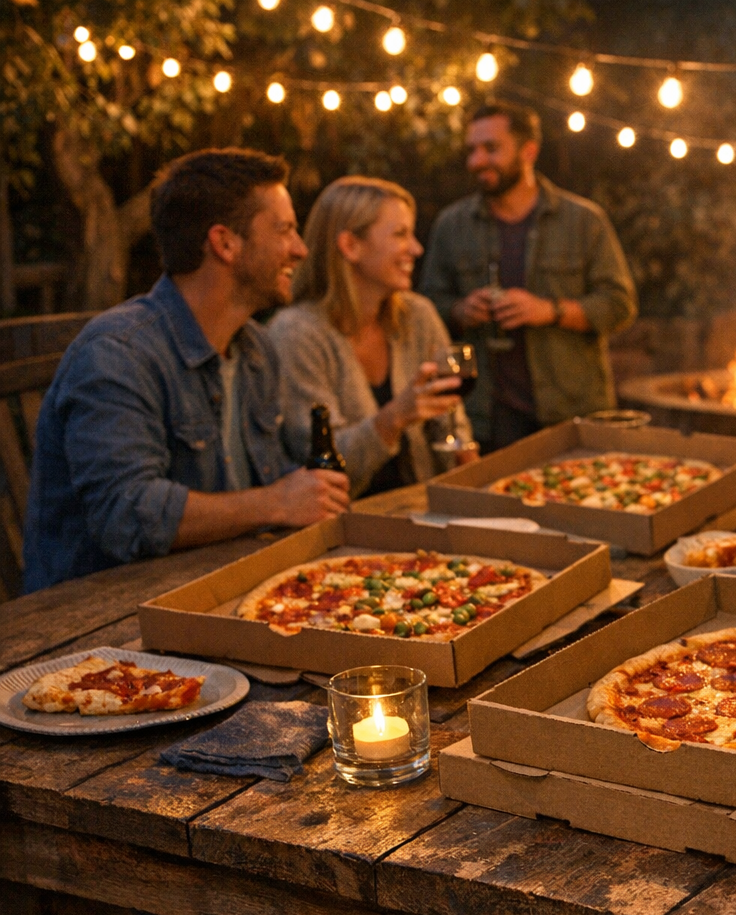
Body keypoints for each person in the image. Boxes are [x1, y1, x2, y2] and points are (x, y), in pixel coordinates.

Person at [23, 149, 350, 592]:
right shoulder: (118, 353)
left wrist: (308, 494)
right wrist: (276, 502)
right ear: (225, 243)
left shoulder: (255, 349)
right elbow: (126, 514)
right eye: (284, 229)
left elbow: (273, 482)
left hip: (222, 586)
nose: (300, 249)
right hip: (107, 613)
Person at [419, 100, 637, 449]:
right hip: (486, 415)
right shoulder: (452, 225)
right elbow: (426, 307)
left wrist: (549, 310)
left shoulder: (583, 221)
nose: (477, 161)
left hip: (570, 412)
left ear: (529, 152)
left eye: (491, 148)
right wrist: (461, 310)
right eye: (472, 150)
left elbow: (619, 305)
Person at [269, 177, 476, 498]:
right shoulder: (296, 335)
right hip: (347, 519)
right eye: (400, 234)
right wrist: (393, 418)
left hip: (429, 507)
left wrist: (480, 488)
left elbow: (454, 426)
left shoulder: (417, 315)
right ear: (351, 245)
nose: (416, 248)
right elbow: (321, 467)